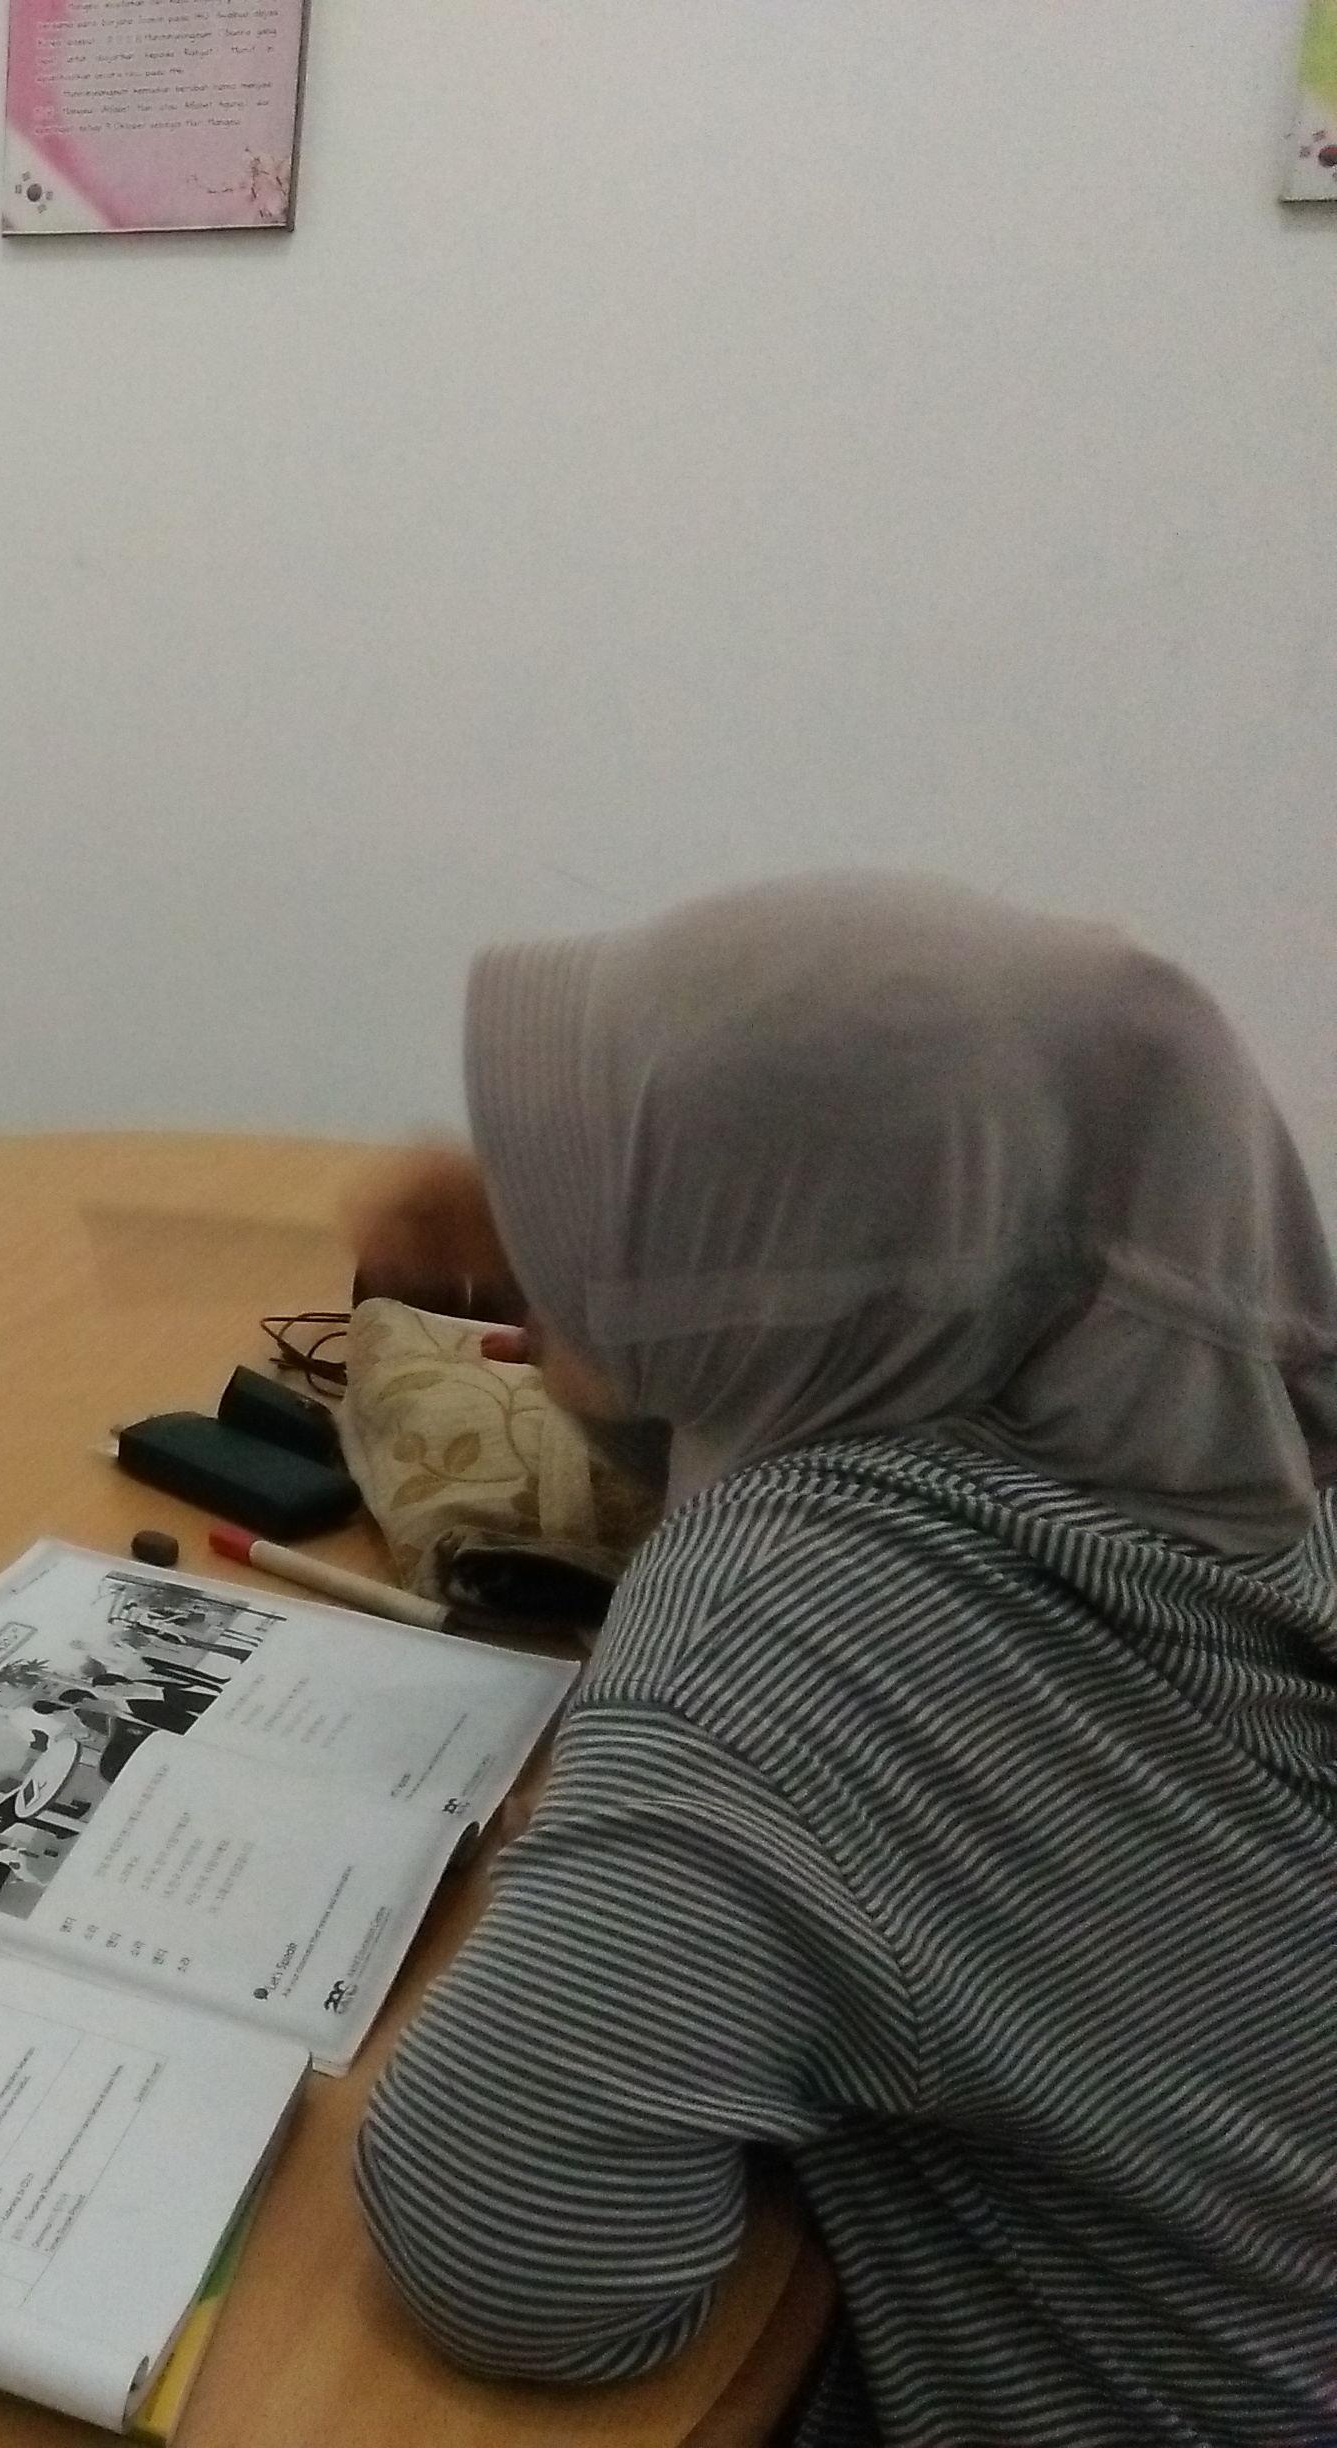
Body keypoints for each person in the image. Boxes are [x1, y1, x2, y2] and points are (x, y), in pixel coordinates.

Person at [345, 873, 1337, 2446]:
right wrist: (569, 1268)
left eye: (638, 1178)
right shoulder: (1228, 1428)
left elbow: (508, 2249)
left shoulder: (783, 1625)